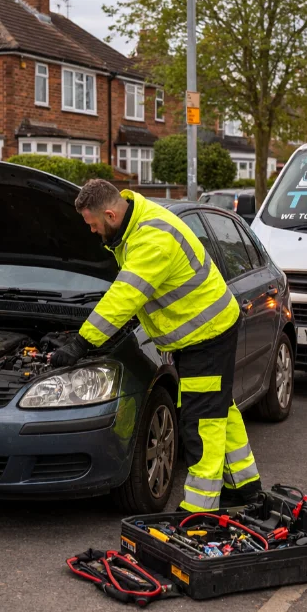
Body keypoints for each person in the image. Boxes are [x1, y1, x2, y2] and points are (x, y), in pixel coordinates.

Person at [51, 179, 261, 511]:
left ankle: (199, 509)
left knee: (200, 420)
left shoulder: (151, 238)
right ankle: (245, 485)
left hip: (206, 333)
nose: (91, 232)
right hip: (204, 329)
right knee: (220, 408)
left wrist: (81, 343)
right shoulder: (135, 223)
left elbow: (125, 296)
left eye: (92, 224)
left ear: (109, 214)